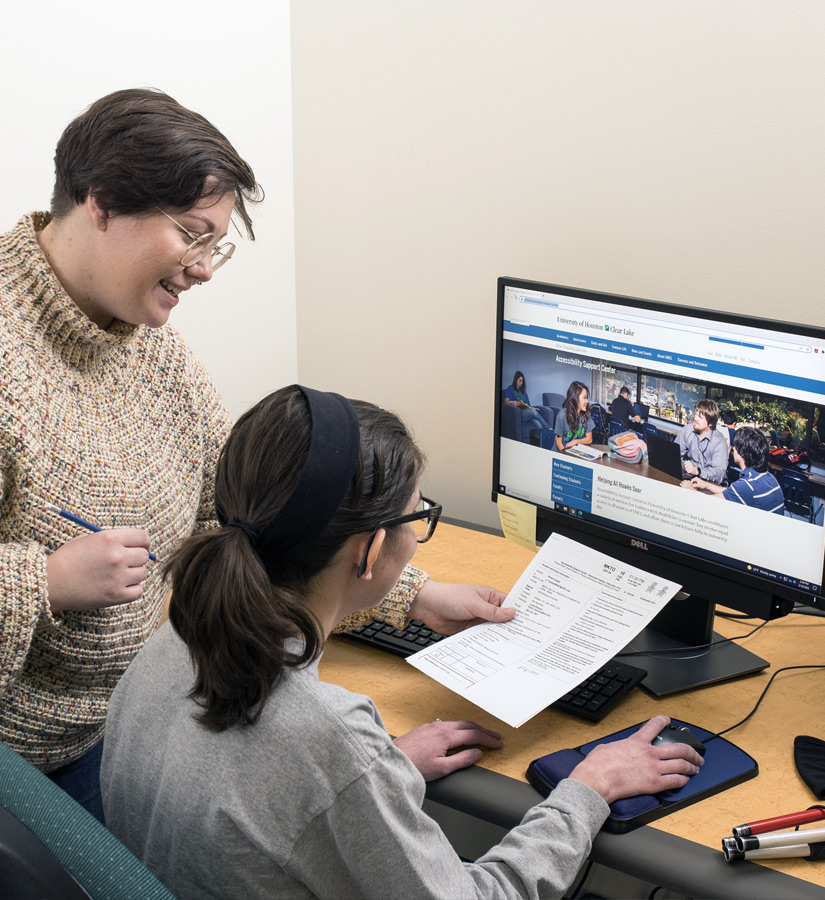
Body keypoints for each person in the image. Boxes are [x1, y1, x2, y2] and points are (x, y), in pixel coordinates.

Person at [0, 88, 509, 822]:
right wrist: (43, 580)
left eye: (217, 245)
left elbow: (252, 509)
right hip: (31, 766)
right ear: (102, 202)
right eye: (191, 235)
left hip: (137, 714)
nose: (205, 269)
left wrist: (414, 597)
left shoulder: (137, 337)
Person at [100, 384, 703, 900]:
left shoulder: (169, 644)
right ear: (366, 551)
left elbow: (257, 788)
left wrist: (381, 774)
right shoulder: (325, 734)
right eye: (417, 518)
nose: (419, 536)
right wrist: (588, 790)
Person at [683, 427, 785, 514]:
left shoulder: (746, 486)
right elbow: (732, 493)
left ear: (743, 453)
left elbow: (710, 503)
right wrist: (706, 485)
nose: (732, 449)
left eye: (735, 446)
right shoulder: (769, 477)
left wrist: (691, 489)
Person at [674, 399, 729, 484]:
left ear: (710, 423)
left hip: (710, 483)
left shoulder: (719, 442)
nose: (695, 418)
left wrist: (697, 471)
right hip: (689, 477)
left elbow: (719, 474)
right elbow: (674, 455)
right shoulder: (687, 430)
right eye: (696, 414)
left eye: (700, 417)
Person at [555, 380, 594, 451]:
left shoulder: (586, 415)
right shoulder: (562, 415)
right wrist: (565, 457)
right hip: (560, 453)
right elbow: (558, 442)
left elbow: (589, 439)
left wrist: (576, 442)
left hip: (574, 453)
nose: (587, 401)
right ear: (575, 398)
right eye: (584, 397)